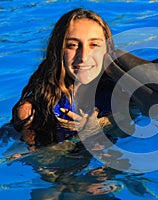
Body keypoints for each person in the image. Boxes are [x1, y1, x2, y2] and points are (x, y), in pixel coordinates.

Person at [11, 8, 116, 150]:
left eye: (94, 45)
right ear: (58, 51)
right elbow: (40, 162)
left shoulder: (120, 91)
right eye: (72, 45)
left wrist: (101, 124)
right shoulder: (33, 111)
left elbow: (131, 125)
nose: (84, 56)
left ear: (107, 50)